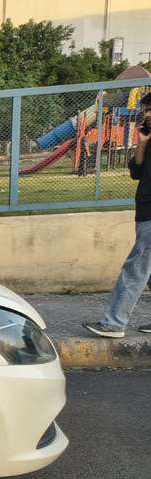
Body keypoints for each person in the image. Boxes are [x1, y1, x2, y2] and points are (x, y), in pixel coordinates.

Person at [84, 92, 151, 338]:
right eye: (146, 110)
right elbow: (136, 172)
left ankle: (114, 323)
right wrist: (142, 143)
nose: (147, 114)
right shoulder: (148, 136)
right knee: (148, 270)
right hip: (144, 211)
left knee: (135, 269)